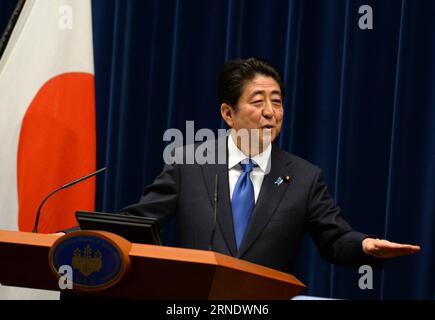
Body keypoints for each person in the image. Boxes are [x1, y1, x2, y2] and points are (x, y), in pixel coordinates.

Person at [121, 57, 420, 273]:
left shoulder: (304, 177)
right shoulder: (190, 164)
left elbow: (335, 238)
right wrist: (77, 235)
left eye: (276, 102)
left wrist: (365, 245)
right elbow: (138, 222)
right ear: (228, 113)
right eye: (257, 101)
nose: (270, 113)